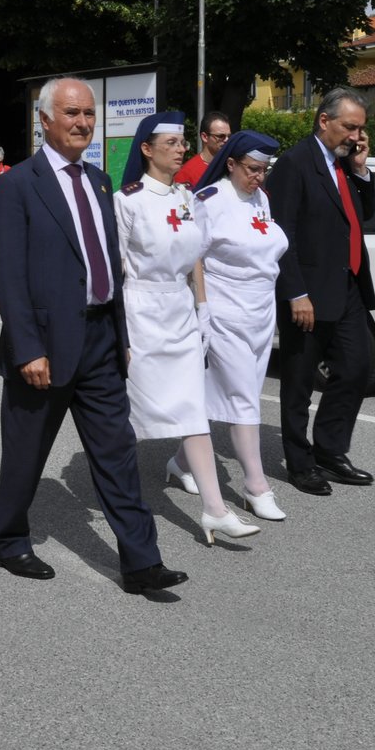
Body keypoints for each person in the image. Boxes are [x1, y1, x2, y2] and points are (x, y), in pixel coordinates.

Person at [0, 77, 188, 595]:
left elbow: (108, 267)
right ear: (45, 120)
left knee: (117, 452)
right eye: (71, 113)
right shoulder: (16, 185)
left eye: (88, 114)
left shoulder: (99, 181)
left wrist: (119, 335)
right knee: (27, 453)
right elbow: (5, 273)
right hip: (45, 345)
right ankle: (8, 540)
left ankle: (141, 562)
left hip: (98, 340)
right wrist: (28, 346)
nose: (82, 123)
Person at [115, 111, 262, 544]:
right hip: (142, 309)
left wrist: (202, 307)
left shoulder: (185, 196)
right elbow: (117, 268)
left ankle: (215, 510)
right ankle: (118, 495)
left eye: (183, 143)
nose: (182, 150)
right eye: (172, 143)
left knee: (192, 408)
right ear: (147, 149)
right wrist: (121, 330)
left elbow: (195, 254)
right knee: (130, 411)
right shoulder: (129, 199)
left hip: (179, 310)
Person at [267, 86, 375, 496]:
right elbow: (283, 234)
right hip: (308, 293)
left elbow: (363, 214)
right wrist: (295, 292)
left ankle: (330, 451)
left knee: (355, 368)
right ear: (324, 121)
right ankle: (300, 464)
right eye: (349, 127)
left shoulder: (345, 165)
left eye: (361, 129)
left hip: (347, 286)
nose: (356, 136)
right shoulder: (296, 165)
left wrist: (363, 169)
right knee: (298, 382)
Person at [192, 129, 292, 522]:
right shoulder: (209, 200)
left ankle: (182, 462)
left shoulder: (261, 199)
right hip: (225, 310)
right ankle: (255, 486)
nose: (258, 177)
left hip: (260, 310)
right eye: (252, 169)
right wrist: (202, 308)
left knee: (241, 390)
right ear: (230, 163)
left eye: (264, 170)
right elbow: (193, 257)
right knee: (243, 398)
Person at [173, 111, 233, 187]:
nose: (226, 140)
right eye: (221, 136)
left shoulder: (232, 167)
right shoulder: (187, 173)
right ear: (205, 137)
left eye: (229, 136)